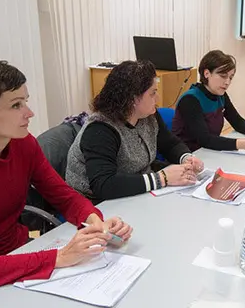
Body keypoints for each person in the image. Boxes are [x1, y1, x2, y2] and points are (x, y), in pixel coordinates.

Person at [0, 60, 132, 293]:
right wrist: (58, 258)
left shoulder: (23, 144)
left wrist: (95, 223)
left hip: (15, 255)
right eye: (16, 105)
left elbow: (63, 196)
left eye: (25, 102)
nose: (29, 113)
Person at [67, 60, 204, 202]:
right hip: (94, 202)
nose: (157, 98)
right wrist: (162, 178)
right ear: (133, 98)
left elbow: (170, 143)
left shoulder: (148, 115)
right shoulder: (100, 129)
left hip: (133, 189)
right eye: (153, 93)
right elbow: (104, 184)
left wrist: (186, 157)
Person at [172, 50, 245, 153]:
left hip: (208, 152)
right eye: (223, 76)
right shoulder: (190, 100)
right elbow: (204, 139)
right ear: (207, 73)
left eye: (231, 77)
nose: (227, 82)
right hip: (187, 157)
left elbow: (236, 120)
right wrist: (241, 144)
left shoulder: (221, 95)